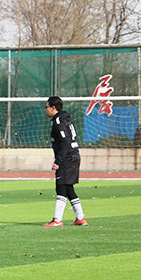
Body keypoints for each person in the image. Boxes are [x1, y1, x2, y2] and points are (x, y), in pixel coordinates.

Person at [43, 96, 87, 227]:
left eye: (46, 107)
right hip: (73, 156)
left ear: (53, 108)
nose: (45, 109)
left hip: (68, 158)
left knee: (61, 187)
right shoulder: (64, 119)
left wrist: (58, 161)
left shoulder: (58, 121)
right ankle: (81, 218)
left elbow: (65, 141)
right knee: (68, 188)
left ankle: (57, 220)